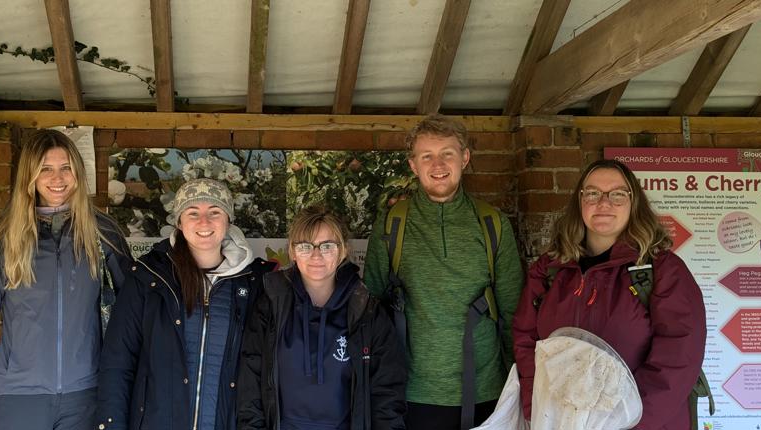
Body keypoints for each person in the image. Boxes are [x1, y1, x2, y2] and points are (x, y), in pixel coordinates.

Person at [512, 159, 706, 429]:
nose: (604, 203)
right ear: (580, 202)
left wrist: (630, 423)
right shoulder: (551, 270)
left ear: (633, 202)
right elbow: (527, 341)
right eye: (592, 193)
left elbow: (678, 359)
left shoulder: (661, 270)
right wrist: (538, 408)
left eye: (617, 194)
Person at [0, 129, 132, 430]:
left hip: (86, 395)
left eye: (66, 168)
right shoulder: (0, 237)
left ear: (77, 172)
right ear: (30, 175)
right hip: (16, 397)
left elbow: (132, 314)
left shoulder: (103, 233)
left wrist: (126, 393)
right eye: (46, 169)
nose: (58, 178)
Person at [363, 114, 524, 429]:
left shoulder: (492, 224)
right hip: (412, 391)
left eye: (447, 153)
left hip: (485, 390)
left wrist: (517, 385)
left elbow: (512, 314)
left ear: (464, 158)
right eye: (427, 156)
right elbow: (370, 308)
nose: (438, 164)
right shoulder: (392, 224)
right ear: (413, 165)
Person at [96, 178, 276, 430]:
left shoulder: (255, 284)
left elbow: (262, 373)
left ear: (228, 220)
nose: (204, 222)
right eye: (193, 213)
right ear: (179, 222)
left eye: (214, 212)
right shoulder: (148, 278)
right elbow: (118, 362)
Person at [237, 205, 407, 429]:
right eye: (306, 246)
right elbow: (250, 385)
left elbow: (387, 394)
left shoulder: (367, 311)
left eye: (327, 246)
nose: (316, 255)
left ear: (343, 250)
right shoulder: (271, 304)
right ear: (293, 251)